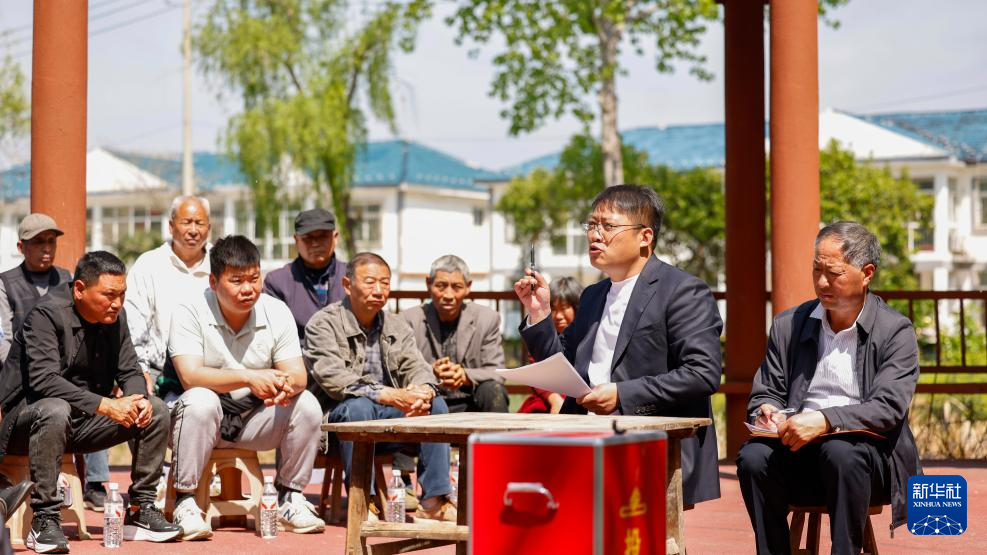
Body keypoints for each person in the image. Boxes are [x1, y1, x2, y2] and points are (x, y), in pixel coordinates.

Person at [514, 184, 723, 507]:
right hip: (584, 432)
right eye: (591, 225)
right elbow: (561, 365)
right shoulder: (593, 295)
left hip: (652, 437)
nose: (595, 235)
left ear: (645, 237)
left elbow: (702, 374)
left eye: (608, 226)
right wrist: (539, 313)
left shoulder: (683, 291)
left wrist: (622, 395)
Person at [736, 221, 922, 555]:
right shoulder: (788, 325)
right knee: (753, 457)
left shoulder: (895, 331)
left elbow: (888, 407)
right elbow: (766, 390)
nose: (822, 282)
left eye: (833, 273)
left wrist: (824, 420)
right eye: (816, 270)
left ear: (866, 273)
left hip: (867, 461)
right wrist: (767, 410)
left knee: (840, 452)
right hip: (799, 452)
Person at [0, 252, 182, 553]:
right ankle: (44, 519)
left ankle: (140, 509)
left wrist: (138, 399)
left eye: (122, 294)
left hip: (81, 423)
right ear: (80, 289)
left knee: (157, 409)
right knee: (55, 409)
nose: (117, 303)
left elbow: (130, 370)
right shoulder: (45, 315)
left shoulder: (116, 318)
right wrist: (106, 405)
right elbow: (44, 382)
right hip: (25, 424)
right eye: (109, 295)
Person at [166, 235, 325, 540]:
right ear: (214, 282)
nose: (248, 288)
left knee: (306, 404)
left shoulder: (276, 310)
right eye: (237, 281)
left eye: (254, 278)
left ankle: (290, 498)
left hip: (253, 417)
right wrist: (251, 377)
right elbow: (190, 376)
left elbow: (297, 375)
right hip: (196, 422)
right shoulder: (189, 310)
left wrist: (282, 385)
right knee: (200, 400)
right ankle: (186, 502)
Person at [304, 253, 457, 524]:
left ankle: (434, 501)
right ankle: (367, 502)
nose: (379, 290)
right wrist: (391, 395)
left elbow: (417, 366)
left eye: (385, 283)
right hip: (339, 424)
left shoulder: (397, 325)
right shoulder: (323, 324)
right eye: (370, 282)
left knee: (436, 406)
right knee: (359, 407)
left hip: (387, 417)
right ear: (347, 285)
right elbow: (334, 378)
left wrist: (423, 391)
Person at [0, 213, 112, 513]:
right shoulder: (5, 283)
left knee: (96, 395)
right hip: (21, 374)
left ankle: (96, 483)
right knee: (58, 402)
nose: (47, 248)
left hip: (67, 371)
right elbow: (4, 341)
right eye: (38, 242)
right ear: (21, 247)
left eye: (51, 241)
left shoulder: (69, 279)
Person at [125, 195, 212, 395]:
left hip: (211, 372)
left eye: (199, 223)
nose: (193, 230)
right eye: (186, 222)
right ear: (171, 226)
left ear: (209, 228)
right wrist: (140, 370)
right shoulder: (149, 265)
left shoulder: (221, 264)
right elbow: (134, 324)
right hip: (158, 371)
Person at [401, 255, 509, 413]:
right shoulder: (408, 319)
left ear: (468, 287)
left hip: (471, 399)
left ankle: (496, 432)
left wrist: (464, 375)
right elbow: (400, 371)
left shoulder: (487, 318)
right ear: (428, 284)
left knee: (493, 390)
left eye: (457, 287)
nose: (448, 295)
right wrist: (431, 371)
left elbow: (497, 372)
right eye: (441, 286)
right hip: (428, 401)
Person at [263, 208, 347, 343]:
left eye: (322, 236)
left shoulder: (353, 277)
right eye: (308, 238)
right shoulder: (277, 282)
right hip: (297, 355)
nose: (315, 243)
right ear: (296, 240)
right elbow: (273, 335)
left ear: (335, 237)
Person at [518, 276, 582, 414]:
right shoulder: (543, 338)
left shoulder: (587, 337)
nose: (558, 316)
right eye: (553, 309)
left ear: (578, 308)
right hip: (547, 398)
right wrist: (554, 398)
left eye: (564, 308)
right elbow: (537, 373)